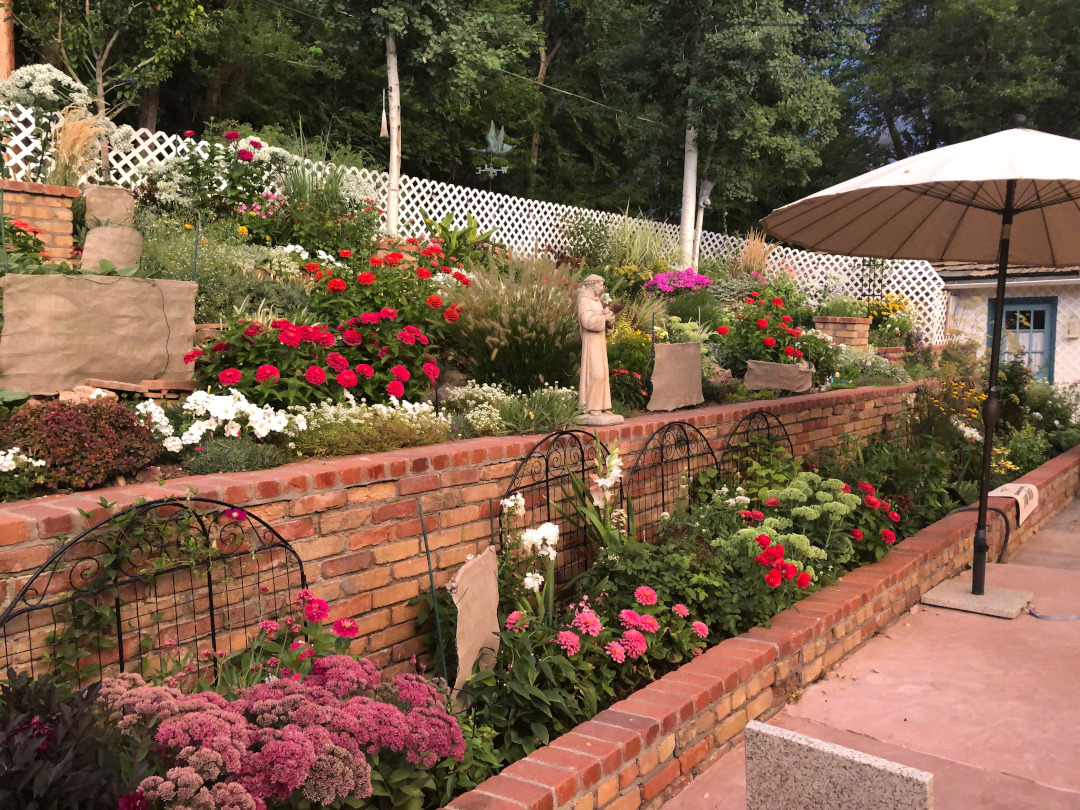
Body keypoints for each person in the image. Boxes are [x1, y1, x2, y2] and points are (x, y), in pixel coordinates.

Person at [577, 274, 621, 423]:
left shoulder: (596, 301)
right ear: (592, 284)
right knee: (595, 373)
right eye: (600, 285)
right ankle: (591, 406)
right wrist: (604, 318)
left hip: (599, 340)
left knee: (602, 373)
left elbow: (600, 319)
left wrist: (609, 319)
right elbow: (587, 322)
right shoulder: (583, 300)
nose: (602, 288)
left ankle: (602, 405)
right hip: (591, 342)